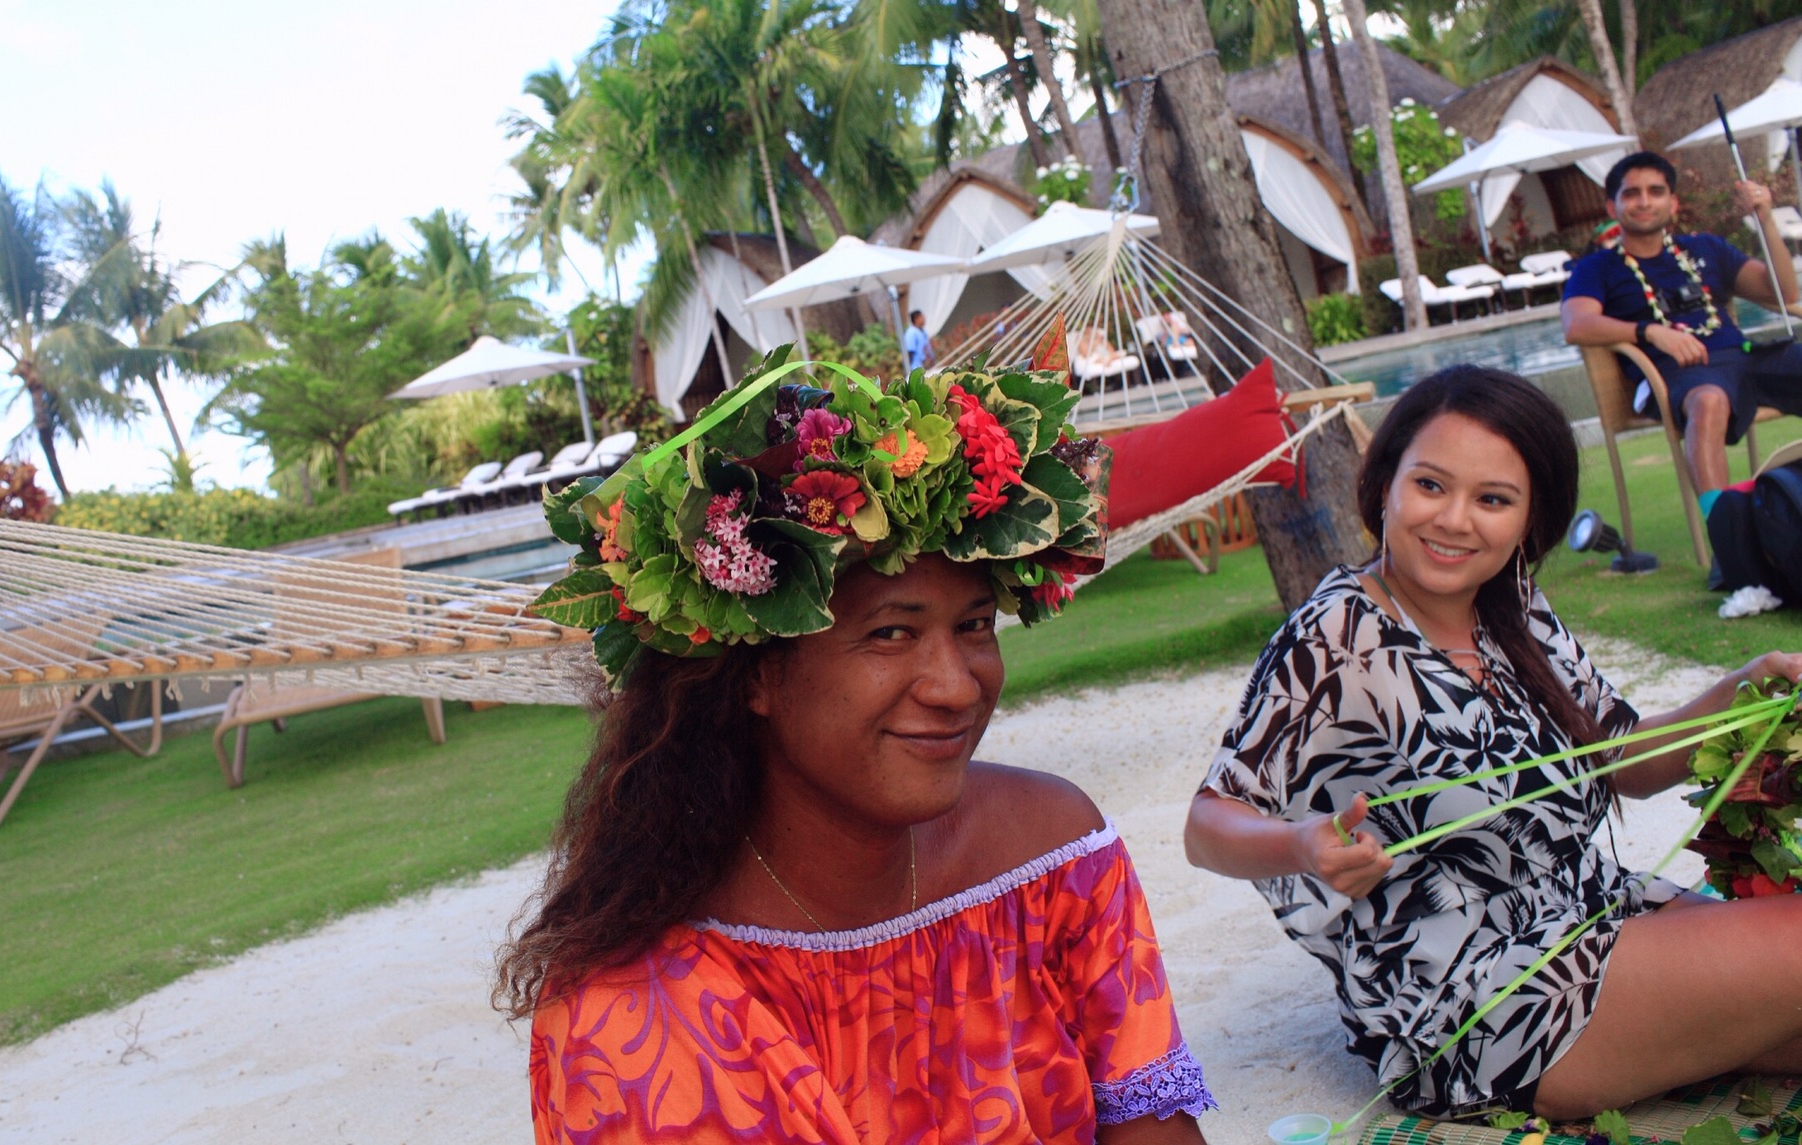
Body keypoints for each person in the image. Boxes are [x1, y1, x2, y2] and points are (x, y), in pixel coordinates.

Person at [501, 350, 1215, 1143]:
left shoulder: (1055, 861)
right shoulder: (631, 1011)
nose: (954, 685)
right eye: (891, 632)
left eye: (974, 624)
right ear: (754, 677)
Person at [1182, 364, 1802, 1120]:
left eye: (1493, 499)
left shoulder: (1515, 613)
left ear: (1529, 519)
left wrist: (1749, 686)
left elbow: (1624, 759)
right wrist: (1306, 844)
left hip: (1600, 914)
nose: (1454, 520)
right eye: (1432, 485)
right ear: (1386, 486)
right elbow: (1208, 822)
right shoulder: (1337, 634)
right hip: (1480, 998)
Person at [1561, 151, 1802, 506]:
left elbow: (1782, 293)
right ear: (1612, 208)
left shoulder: (1706, 248)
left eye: (1655, 191)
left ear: (1672, 203)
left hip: (1743, 360)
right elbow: (1576, 325)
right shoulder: (1597, 268)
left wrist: (1765, 219)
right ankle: (1723, 531)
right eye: (1631, 193)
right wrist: (1649, 332)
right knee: (1708, 401)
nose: (1644, 201)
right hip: (1674, 375)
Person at [904, 308, 935, 372]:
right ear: (916, 319)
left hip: (928, 367)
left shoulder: (922, 331)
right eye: (922, 317)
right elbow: (909, 352)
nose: (924, 319)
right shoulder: (911, 333)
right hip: (917, 369)